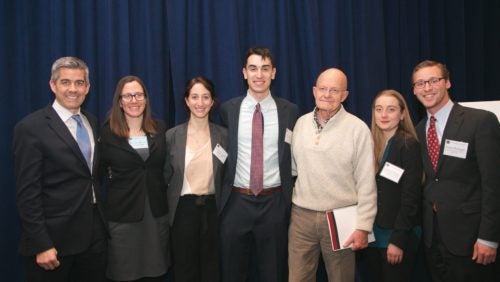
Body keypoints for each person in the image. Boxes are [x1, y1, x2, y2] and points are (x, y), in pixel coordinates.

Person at [13, 56, 107, 282]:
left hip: (93, 238)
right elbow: (27, 193)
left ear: (88, 87)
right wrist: (41, 244)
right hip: (54, 243)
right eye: (65, 82)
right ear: (52, 85)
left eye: (79, 83)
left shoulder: (91, 121)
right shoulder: (31, 128)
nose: (73, 89)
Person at [412, 60, 500, 282]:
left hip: (472, 239)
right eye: (420, 83)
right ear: (414, 90)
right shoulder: (419, 130)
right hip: (434, 239)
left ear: (447, 82)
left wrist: (489, 237)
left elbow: (494, 183)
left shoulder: (480, 121)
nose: (427, 88)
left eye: (433, 80)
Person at [288, 68, 377, 282]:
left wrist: (364, 226)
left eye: (334, 90)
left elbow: (366, 182)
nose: (327, 94)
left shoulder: (358, 129)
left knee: (341, 278)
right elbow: (293, 169)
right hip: (302, 216)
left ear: (344, 95)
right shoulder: (300, 124)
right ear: (314, 91)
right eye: (322, 89)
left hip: (340, 218)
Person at [219, 47, 298, 281]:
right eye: (253, 68)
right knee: (232, 272)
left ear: (274, 73)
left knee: (273, 272)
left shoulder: (290, 111)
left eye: (265, 69)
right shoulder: (228, 110)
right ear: (244, 73)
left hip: (274, 203)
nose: (259, 75)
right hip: (235, 202)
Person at [99, 75, 169, 281]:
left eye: (139, 95)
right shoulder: (107, 133)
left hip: (155, 213)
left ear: (146, 99)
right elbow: (98, 172)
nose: (134, 100)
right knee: (124, 273)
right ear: (119, 101)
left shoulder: (160, 128)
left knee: (156, 271)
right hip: (123, 215)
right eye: (128, 96)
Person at [164, 76, 228, 282]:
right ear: (186, 101)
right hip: (183, 210)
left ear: (212, 101)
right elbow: (164, 176)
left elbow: (228, 175)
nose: (200, 103)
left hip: (213, 210)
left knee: (212, 268)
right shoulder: (171, 136)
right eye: (194, 97)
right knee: (184, 269)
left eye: (205, 97)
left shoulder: (224, 136)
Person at [363, 89, 423, 282]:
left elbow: (410, 198)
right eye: (378, 109)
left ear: (402, 114)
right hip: (372, 235)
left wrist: (398, 241)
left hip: (397, 234)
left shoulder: (407, 145)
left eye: (391, 109)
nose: (383, 115)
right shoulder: (369, 144)